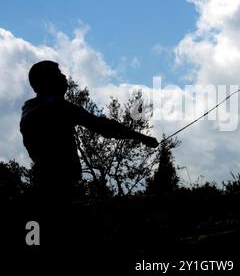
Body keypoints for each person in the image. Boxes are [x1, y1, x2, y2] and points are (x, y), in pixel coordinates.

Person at [20, 60, 158, 247]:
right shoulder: (58, 108)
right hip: (59, 191)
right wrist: (141, 137)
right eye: (58, 74)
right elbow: (104, 127)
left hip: (43, 188)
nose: (64, 77)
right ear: (45, 82)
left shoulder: (28, 112)